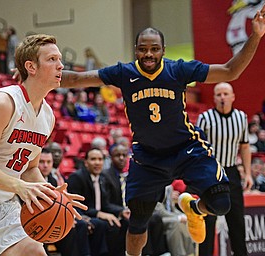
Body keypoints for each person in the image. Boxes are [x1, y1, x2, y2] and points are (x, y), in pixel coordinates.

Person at [57, 7, 265, 255]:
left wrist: (256, 35)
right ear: (136, 50)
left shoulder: (178, 70)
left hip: (186, 149)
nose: (148, 53)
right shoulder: (124, 73)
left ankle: (194, 208)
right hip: (148, 157)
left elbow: (231, 71)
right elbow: (78, 80)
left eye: (154, 48)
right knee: (138, 222)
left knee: (221, 203)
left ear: (163, 51)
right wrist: (37, 75)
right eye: (143, 48)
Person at [0, 34, 87, 256]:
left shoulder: (47, 116)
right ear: (31, 66)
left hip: (6, 203)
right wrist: (20, 187)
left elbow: (30, 168)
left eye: (60, 59)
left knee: (35, 252)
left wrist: (52, 195)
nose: (61, 65)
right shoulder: (2, 102)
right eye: (51, 59)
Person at [196, 82, 253, 256]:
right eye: (219, 94)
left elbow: (244, 146)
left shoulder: (241, 118)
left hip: (231, 172)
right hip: (210, 173)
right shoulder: (205, 118)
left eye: (225, 94)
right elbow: (197, 147)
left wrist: (248, 173)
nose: (222, 97)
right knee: (209, 221)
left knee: (237, 223)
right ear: (214, 98)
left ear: (232, 97)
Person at [67, 148, 126, 256]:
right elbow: (76, 206)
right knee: (100, 224)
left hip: (96, 215)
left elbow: (106, 204)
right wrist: (98, 214)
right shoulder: (77, 177)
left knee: (120, 223)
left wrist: (121, 211)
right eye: (93, 159)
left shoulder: (102, 178)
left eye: (100, 159)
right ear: (86, 162)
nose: (97, 162)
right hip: (84, 216)